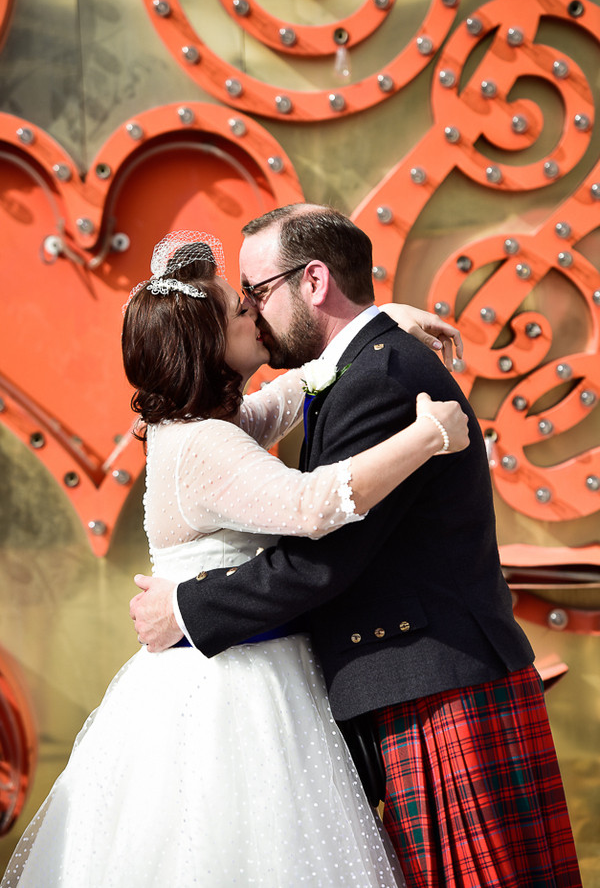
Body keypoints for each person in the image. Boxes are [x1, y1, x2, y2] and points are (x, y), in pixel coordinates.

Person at [1, 229, 469, 888]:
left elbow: (297, 387)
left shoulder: (202, 428)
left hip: (234, 669)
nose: (254, 311)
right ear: (206, 345)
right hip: (228, 695)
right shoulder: (204, 446)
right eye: (237, 308)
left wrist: (377, 320)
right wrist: (426, 438)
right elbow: (312, 506)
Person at [132, 205, 582, 888]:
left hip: (435, 685)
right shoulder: (323, 386)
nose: (252, 310)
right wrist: (414, 405)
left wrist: (188, 609)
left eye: (256, 292)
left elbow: (323, 557)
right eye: (240, 302)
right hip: (381, 687)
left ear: (314, 282)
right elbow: (307, 472)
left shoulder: (376, 377)